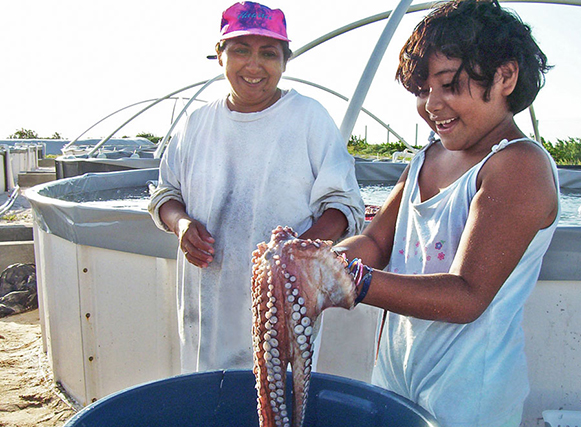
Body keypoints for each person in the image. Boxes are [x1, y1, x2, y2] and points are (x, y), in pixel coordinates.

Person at [333, 1, 559, 426]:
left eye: (450, 84)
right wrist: (326, 259)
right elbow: (377, 241)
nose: (432, 104)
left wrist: (348, 280)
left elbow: (467, 295)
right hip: (396, 375)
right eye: (422, 90)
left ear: (505, 76)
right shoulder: (426, 157)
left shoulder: (518, 165)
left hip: (469, 398)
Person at [148, 1, 364, 374]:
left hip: (281, 307)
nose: (254, 65)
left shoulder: (309, 119)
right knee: (207, 396)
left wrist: (291, 258)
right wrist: (181, 225)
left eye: (268, 53)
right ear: (220, 55)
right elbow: (165, 194)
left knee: (276, 395)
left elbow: (344, 206)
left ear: (285, 60)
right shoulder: (196, 124)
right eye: (240, 50)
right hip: (206, 309)